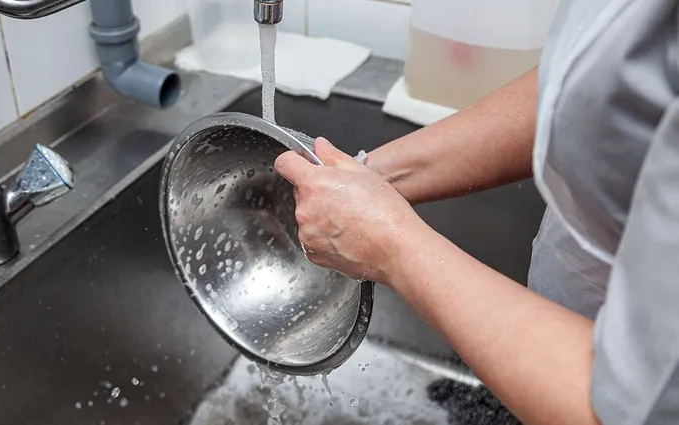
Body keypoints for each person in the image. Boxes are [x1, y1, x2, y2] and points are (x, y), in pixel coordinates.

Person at [274, 0, 679, 423]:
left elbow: (627, 410)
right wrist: (370, 177)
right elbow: (593, 80)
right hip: (549, 343)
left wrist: (389, 241)